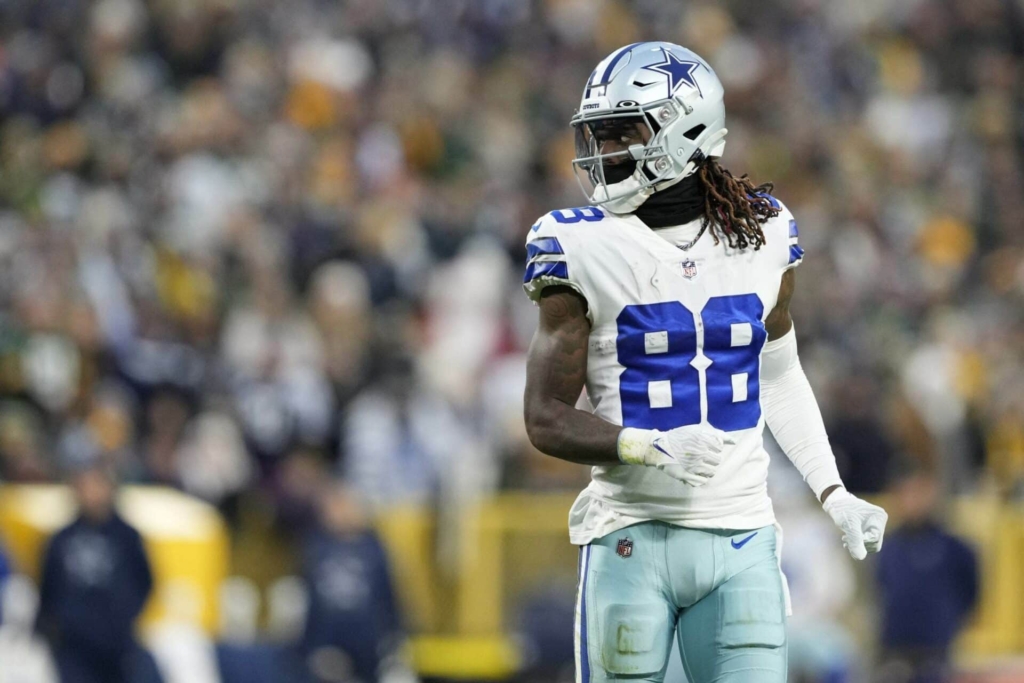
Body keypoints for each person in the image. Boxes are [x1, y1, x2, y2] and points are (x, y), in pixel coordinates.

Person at [521, 42, 889, 683]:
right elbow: (544, 416)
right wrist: (644, 445)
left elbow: (779, 374)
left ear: (687, 130)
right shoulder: (577, 243)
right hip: (629, 535)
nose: (603, 150)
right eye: (598, 134)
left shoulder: (763, 231)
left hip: (744, 537)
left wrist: (832, 492)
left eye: (623, 132)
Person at [35, 463, 157, 683]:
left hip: (117, 644)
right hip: (73, 646)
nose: (90, 493)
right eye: (84, 486)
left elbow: (145, 581)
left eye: (95, 486)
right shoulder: (62, 539)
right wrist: (51, 626)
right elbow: (48, 587)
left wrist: (124, 616)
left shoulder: (127, 537)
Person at [876, 465, 978, 683]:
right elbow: (881, 588)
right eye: (905, 494)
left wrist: (950, 621)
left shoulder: (953, 547)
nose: (911, 501)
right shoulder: (888, 548)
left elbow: (970, 589)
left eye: (917, 493)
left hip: (936, 650)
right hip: (896, 649)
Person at [299, 484, 402, 683]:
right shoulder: (316, 548)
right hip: (328, 638)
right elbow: (311, 601)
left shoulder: (373, 548)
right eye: (334, 507)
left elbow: (388, 595)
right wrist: (310, 646)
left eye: (345, 506)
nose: (341, 513)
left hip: (368, 639)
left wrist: (394, 635)